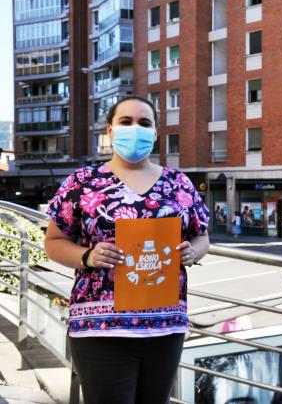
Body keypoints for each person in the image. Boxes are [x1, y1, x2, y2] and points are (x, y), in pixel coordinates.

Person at [44, 96, 210, 404]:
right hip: (100, 327)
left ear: (156, 132)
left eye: (144, 123)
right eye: (126, 122)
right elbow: (53, 242)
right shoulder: (82, 182)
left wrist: (193, 253)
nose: (136, 129)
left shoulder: (179, 183)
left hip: (165, 326)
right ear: (110, 130)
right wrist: (87, 256)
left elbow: (202, 236)